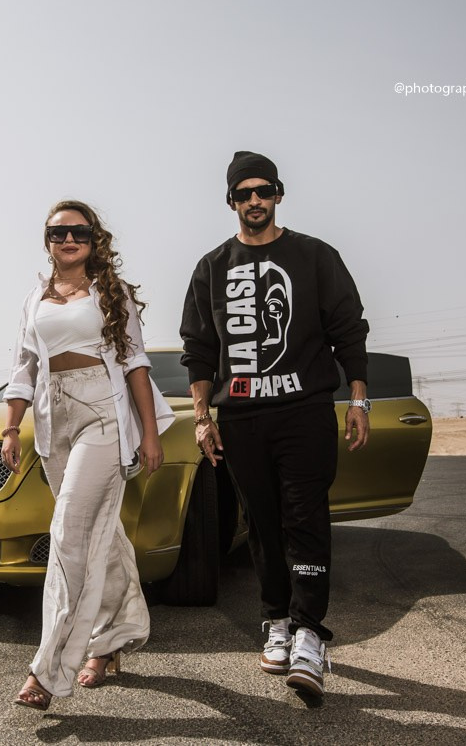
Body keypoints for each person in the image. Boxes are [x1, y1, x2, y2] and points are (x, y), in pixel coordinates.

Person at [179, 151, 371, 698]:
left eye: (264, 191)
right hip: (241, 418)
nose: (255, 201)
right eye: (244, 193)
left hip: (304, 412)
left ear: (279, 195)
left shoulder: (314, 256)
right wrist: (201, 417)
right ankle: (276, 620)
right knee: (261, 523)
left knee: (303, 516)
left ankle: (310, 631)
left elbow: (348, 331)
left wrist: (358, 400)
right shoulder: (211, 267)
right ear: (232, 201)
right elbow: (200, 350)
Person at [2, 200, 174, 711]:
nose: (68, 239)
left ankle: (49, 668)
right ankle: (113, 638)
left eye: (78, 231)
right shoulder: (35, 298)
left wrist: (149, 434)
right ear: (47, 240)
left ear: (94, 239)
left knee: (70, 534)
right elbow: (24, 367)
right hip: (53, 419)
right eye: (58, 232)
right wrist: (12, 427)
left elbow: (136, 363)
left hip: (101, 411)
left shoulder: (110, 293)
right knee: (104, 533)